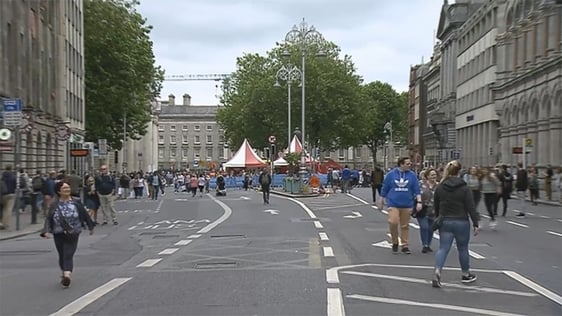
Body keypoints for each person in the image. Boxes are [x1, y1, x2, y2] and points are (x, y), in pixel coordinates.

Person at [432, 160, 480, 288]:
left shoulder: (440, 187)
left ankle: (437, 270)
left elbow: (436, 205)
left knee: (443, 248)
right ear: (459, 172)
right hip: (461, 221)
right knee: (463, 248)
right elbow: (471, 207)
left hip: (445, 221)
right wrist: (475, 223)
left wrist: (438, 218)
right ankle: (465, 274)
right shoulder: (465, 188)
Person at [40, 181, 94, 288]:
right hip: (58, 232)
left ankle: (67, 275)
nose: (67, 190)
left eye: (68, 188)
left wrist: (90, 226)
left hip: (73, 232)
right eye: (64, 188)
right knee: (61, 254)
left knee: (68, 254)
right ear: (59, 191)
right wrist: (45, 231)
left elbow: (84, 214)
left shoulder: (76, 201)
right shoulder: (54, 204)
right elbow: (49, 218)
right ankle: (64, 271)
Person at [379, 157, 422, 254]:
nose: (409, 165)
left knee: (405, 225)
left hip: (407, 204)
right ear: (401, 164)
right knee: (393, 222)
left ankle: (405, 245)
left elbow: (416, 189)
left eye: (410, 164)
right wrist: (381, 199)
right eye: (407, 164)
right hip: (393, 203)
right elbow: (385, 187)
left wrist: (419, 202)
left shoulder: (412, 175)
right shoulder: (391, 175)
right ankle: (395, 241)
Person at [414, 168, 438, 253]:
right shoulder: (421, 184)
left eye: (435, 175)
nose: (434, 176)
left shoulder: (438, 186)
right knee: (424, 227)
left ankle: (428, 244)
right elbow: (415, 193)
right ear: (427, 176)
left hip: (433, 211)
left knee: (431, 228)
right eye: (432, 175)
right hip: (422, 209)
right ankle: (425, 245)